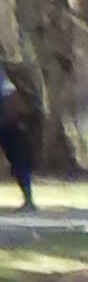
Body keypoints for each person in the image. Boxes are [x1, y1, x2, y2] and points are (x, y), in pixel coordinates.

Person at [0, 69, 40, 210]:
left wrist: (14, 119)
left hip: (7, 122)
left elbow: (10, 95)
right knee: (18, 161)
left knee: (18, 161)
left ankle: (28, 199)